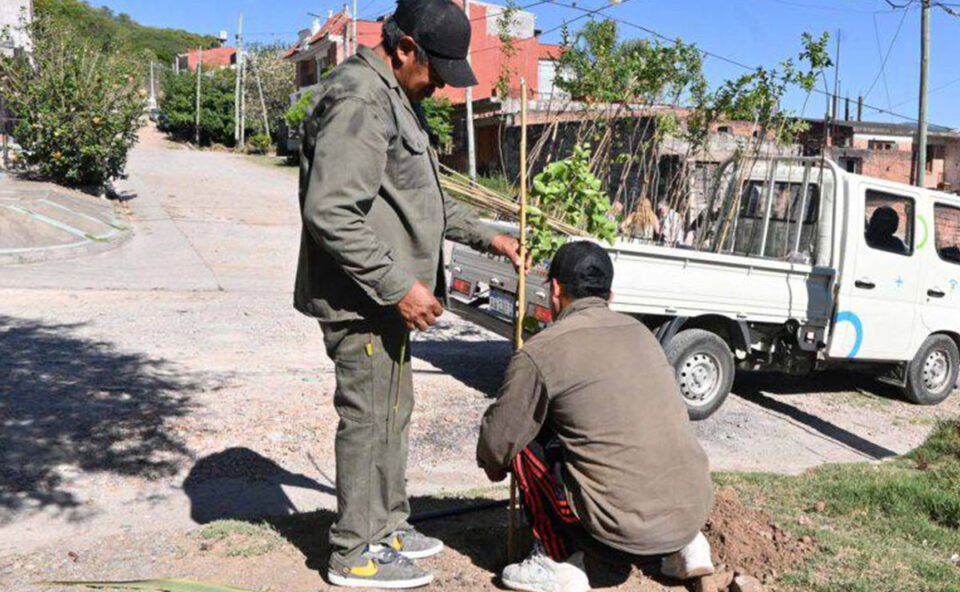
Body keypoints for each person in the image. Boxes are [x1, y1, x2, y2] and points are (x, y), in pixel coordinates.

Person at [294, 0, 523, 587]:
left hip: (385, 302)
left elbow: (423, 198)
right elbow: (332, 211)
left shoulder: (397, 97)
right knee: (369, 418)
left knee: (392, 414)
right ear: (404, 50)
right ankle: (354, 552)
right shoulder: (362, 98)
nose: (442, 86)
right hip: (364, 301)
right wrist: (399, 288)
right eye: (437, 72)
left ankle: (386, 525)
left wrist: (490, 237)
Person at [477, 241, 715, 592]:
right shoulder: (644, 336)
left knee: (524, 440)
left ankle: (557, 562)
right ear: (610, 296)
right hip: (690, 514)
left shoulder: (544, 350)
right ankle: (686, 548)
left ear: (554, 289)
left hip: (615, 534)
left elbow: (498, 443)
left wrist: (495, 464)